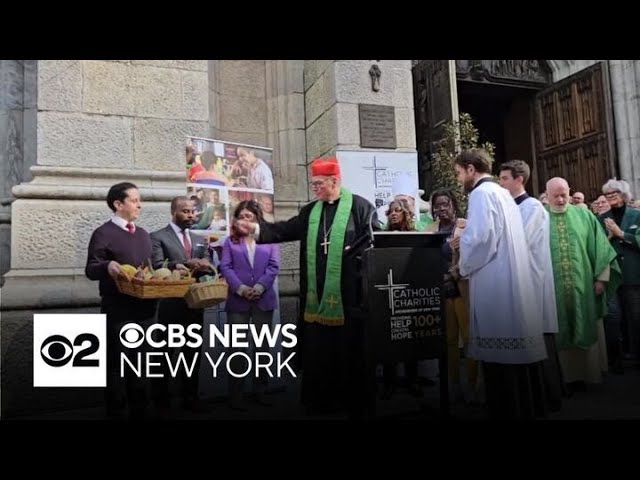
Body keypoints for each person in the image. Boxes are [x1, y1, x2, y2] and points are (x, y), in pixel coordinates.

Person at [234, 156, 378, 419]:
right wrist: (255, 229)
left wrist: (351, 252)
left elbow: (372, 239)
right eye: (313, 183)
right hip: (315, 293)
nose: (314, 188)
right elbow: (284, 230)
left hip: (348, 297)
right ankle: (320, 401)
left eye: (319, 183)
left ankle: (351, 401)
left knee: (348, 351)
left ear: (334, 181)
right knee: (318, 353)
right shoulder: (310, 211)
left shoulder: (360, 207)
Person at [453, 149, 547, 420]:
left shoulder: (482, 194)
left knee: (501, 356)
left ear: (471, 169)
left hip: (496, 281)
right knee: (516, 354)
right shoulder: (502, 193)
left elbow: (482, 238)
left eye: (459, 173)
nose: (460, 179)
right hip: (511, 277)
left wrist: (462, 259)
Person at [85, 182, 158, 419]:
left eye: (139, 200)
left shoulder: (144, 234)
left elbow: (149, 269)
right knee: (117, 366)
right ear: (118, 204)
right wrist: (108, 266)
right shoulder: (103, 233)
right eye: (135, 200)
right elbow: (91, 269)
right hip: (119, 311)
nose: (140, 205)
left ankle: (141, 411)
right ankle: (117, 413)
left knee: (142, 366)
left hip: (146, 311)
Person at [499, 160, 563, 411]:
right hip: (517, 282)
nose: (501, 183)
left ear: (519, 180)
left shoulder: (533, 207)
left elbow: (519, 241)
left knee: (538, 341)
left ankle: (545, 399)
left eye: (504, 178)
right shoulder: (509, 206)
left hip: (533, 282)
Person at [545, 177, 621, 391]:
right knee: (559, 329)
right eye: (555, 196)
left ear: (569, 193)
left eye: (564, 195)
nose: (560, 200)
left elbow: (600, 247)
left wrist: (601, 279)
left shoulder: (583, 214)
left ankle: (587, 375)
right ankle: (565, 379)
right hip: (554, 290)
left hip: (584, 287)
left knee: (584, 324)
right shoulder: (540, 217)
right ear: (547, 195)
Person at [150, 196, 213, 415]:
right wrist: (185, 264)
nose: (191, 215)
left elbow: (206, 261)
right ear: (174, 212)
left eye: (193, 211)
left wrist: (206, 264)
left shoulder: (198, 238)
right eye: (185, 211)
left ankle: (190, 398)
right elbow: (157, 265)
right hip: (169, 305)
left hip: (195, 303)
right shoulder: (158, 237)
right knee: (165, 353)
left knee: (191, 353)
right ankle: (162, 401)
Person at [219, 200, 280, 410]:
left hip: (263, 300)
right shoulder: (230, 242)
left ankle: (260, 391)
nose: (245, 220)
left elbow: (273, 266)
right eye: (242, 216)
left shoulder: (268, 239)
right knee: (236, 349)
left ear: (257, 219)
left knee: (262, 348)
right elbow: (225, 267)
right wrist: (242, 289)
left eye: (250, 217)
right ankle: (235, 395)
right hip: (238, 300)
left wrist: (261, 288)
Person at [425, 189, 479, 404]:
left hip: (463, 289)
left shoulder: (465, 226)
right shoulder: (429, 230)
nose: (441, 209)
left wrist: (462, 246)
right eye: (437, 205)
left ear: (453, 205)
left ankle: (474, 385)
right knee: (449, 341)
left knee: (469, 339)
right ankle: (453, 384)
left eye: (445, 204)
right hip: (443, 291)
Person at [378, 199, 423, 400]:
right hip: (388, 294)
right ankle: (390, 382)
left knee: (410, 340)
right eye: (390, 211)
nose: (393, 214)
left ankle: (412, 380)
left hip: (409, 295)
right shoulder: (381, 237)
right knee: (389, 341)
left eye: (398, 211)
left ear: (406, 213)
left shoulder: (414, 236)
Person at [599, 178, 640, 366]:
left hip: (633, 275)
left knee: (636, 316)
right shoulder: (601, 218)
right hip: (611, 275)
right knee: (614, 317)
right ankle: (616, 359)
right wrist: (608, 237)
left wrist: (622, 234)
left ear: (623, 194)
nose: (610, 197)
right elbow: (597, 246)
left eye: (613, 193)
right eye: (607, 194)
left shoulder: (636, 214)